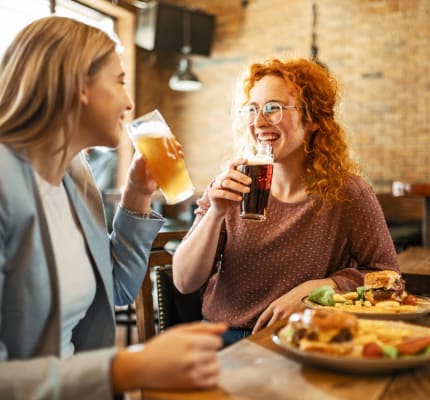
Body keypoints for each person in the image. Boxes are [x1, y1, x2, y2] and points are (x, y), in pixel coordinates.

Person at [0, 16, 226, 399]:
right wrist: (128, 367)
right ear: (78, 86)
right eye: (120, 81)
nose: (129, 102)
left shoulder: (75, 175)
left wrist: (137, 194)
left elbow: (117, 289)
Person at [172, 57, 399, 346]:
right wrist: (215, 213)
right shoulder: (230, 185)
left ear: (313, 118)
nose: (259, 122)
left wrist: (320, 289)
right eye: (252, 110)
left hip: (304, 340)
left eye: (273, 109)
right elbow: (183, 281)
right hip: (222, 339)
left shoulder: (348, 193)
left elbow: (388, 276)